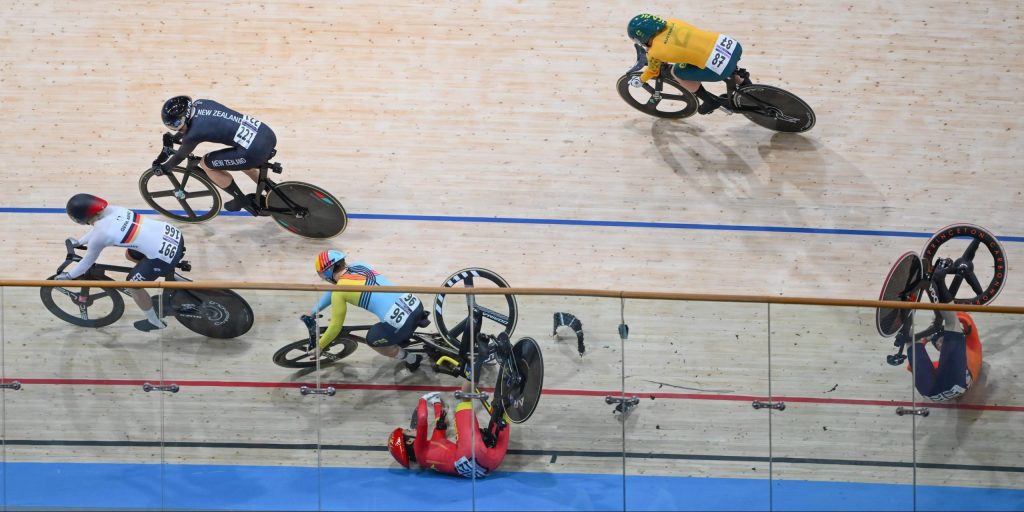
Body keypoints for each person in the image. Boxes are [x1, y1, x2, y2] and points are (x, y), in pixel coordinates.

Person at [56, 194, 186, 332]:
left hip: (162, 255)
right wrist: (80, 242)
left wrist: (69, 276)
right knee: (130, 254)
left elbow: (86, 263)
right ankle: (170, 274)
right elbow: (97, 230)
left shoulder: (101, 234)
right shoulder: (114, 209)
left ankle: (154, 322)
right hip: (172, 234)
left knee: (132, 285)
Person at [152, 96, 277, 215]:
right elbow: (194, 126)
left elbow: (180, 156)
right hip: (265, 134)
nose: (176, 129)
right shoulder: (202, 103)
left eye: (176, 125)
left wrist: (163, 168)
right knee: (244, 163)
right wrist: (176, 138)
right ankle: (274, 191)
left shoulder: (193, 134)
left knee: (206, 164)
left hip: (253, 151)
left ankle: (240, 199)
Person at [310, 250, 428, 370]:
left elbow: (335, 326)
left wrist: (320, 346)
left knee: (372, 340)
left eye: (322, 275)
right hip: (415, 303)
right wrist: (314, 310)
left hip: (401, 324)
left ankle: (412, 359)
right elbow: (336, 289)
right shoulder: (359, 265)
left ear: (328, 272)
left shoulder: (339, 293)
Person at [625, 14, 751, 115]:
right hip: (731, 45)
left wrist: (640, 80)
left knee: (677, 72)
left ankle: (709, 102)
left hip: (721, 65)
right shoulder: (673, 21)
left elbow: (653, 71)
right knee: (703, 57)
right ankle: (744, 83)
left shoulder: (655, 52)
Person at [387, 380, 510, 478]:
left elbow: (441, 423)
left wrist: (436, 403)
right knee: (465, 396)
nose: (411, 430)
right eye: (408, 431)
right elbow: (422, 417)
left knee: (505, 412)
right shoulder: (419, 451)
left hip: (490, 465)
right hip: (470, 451)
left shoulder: (427, 457)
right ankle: (476, 364)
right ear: (409, 441)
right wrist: (423, 400)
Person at [905, 258, 984, 401]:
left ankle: (901, 311)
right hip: (950, 386)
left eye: (939, 343)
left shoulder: (944, 363)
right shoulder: (972, 349)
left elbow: (910, 367)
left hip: (930, 392)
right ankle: (940, 282)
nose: (940, 344)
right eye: (940, 343)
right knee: (952, 322)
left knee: (909, 338)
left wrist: (924, 339)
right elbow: (964, 319)